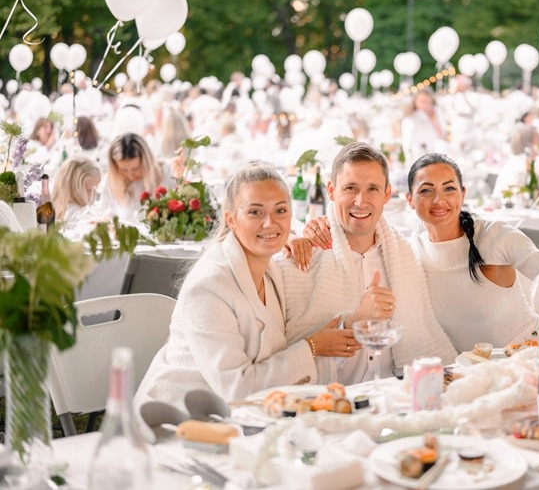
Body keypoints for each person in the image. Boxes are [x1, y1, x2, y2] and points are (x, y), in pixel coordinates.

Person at [135, 164, 356, 411]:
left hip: (242, 414)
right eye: (255, 212)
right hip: (177, 418)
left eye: (280, 210)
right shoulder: (209, 287)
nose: (270, 223)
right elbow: (236, 389)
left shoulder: (271, 269)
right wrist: (313, 346)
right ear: (231, 219)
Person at [300, 153, 539, 351]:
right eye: (426, 191)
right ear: (409, 200)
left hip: (527, 354)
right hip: (467, 371)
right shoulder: (407, 253)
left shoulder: (493, 236)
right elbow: (358, 231)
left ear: (462, 194)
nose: (439, 200)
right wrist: (306, 231)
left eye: (449, 188)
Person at [278, 142, 457, 385]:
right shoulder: (303, 259)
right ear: (331, 191)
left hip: (395, 395)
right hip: (331, 402)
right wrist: (357, 320)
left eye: (372, 189)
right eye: (350, 188)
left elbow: (420, 337)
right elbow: (288, 360)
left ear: (386, 194)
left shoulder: (403, 255)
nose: (361, 202)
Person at [98, 133, 163, 223]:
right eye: (124, 170)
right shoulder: (110, 180)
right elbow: (104, 211)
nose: (130, 175)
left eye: (135, 168)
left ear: (145, 162)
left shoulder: (164, 174)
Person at [51, 155, 102, 226]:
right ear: (72, 190)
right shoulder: (74, 214)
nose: (94, 194)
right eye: (89, 190)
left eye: (96, 188)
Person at [401, 89, 448, 164]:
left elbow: (442, 136)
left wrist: (434, 119)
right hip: (416, 156)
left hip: (434, 156)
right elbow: (407, 143)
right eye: (422, 102)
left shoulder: (437, 114)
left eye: (428, 102)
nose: (425, 105)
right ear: (415, 102)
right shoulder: (410, 118)